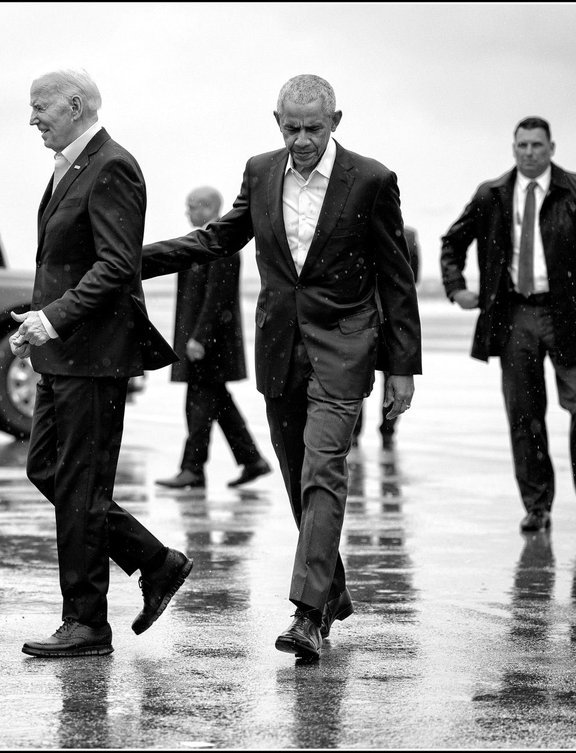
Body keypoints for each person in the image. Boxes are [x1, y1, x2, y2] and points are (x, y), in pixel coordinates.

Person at [142, 74, 421, 659]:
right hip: (279, 346)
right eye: (290, 127)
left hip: (344, 346)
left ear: (336, 121)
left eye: (313, 128)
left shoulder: (370, 180)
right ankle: (329, 591)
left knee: (325, 472)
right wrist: (134, 261)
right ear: (276, 122)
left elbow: (396, 277)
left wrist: (402, 366)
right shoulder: (261, 170)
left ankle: (306, 615)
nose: (301, 139)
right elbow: (220, 238)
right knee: (298, 478)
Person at [12, 69, 192, 658]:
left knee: (83, 488)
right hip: (63, 354)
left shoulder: (113, 165)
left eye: (40, 107)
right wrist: (37, 325)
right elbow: (70, 262)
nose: (33, 118)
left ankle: (87, 621)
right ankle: (153, 560)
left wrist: (55, 317)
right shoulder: (69, 165)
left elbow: (115, 266)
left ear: (75, 104)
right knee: (50, 473)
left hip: (93, 356)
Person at [440, 116, 576, 535]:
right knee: (524, 415)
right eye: (522, 146)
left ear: (552, 148)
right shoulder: (492, 194)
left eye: (537, 145)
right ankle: (537, 507)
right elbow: (452, 241)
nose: (529, 152)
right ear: (513, 149)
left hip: (569, 313)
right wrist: (457, 287)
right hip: (515, 315)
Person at [155, 186, 272, 490]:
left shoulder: (221, 243)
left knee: (199, 406)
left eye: (192, 206)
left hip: (209, 346)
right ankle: (251, 460)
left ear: (208, 208)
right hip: (205, 343)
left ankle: (193, 469)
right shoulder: (203, 241)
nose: (187, 212)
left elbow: (217, 298)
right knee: (217, 404)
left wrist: (199, 339)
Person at [352, 225, 421, 449]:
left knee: (356, 375)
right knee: (393, 375)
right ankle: (388, 428)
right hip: (392, 317)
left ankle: (355, 432)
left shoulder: (356, 228)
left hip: (362, 313)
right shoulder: (407, 235)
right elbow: (411, 280)